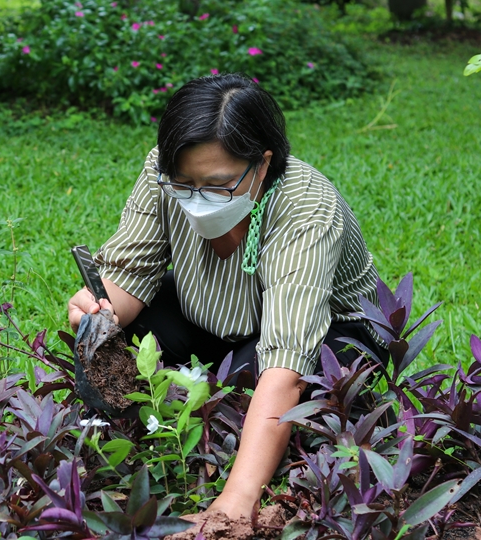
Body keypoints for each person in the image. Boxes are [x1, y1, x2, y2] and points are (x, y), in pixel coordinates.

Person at [67, 74, 387, 520]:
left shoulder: (305, 208)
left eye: (219, 186)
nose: (198, 199)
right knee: (123, 331)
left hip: (323, 334)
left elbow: (287, 366)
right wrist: (98, 309)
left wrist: (234, 506)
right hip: (215, 317)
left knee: (250, 383)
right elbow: (131, 273)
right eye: (184, 184)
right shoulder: (162, 172)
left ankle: (230, 445)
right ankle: (138, 428)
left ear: (261, 164)